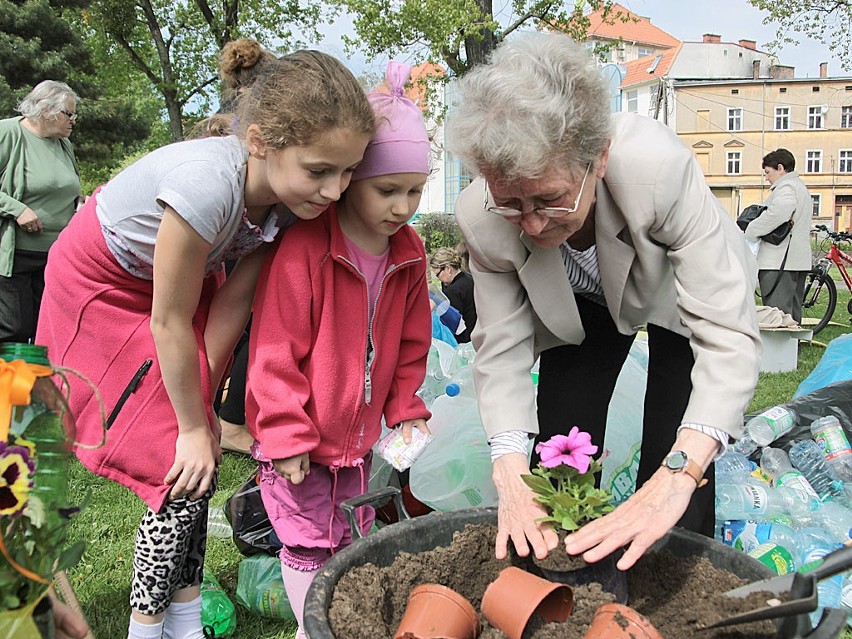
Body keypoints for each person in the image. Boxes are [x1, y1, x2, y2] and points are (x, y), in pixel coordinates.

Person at [35, 51, 374, 639]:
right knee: (176, 465)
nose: (335, 190)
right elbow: (170, 320)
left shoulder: (288, 206)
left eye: (348, 173)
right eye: (320, 170)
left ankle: (184, 622)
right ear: (262, 141)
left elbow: (229, 307)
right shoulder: (206, 186)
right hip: (102, 282)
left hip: (177, 288)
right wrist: (188, 426)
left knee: (200, 461)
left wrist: (207, 421)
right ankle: (147, 629)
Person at [446, 32, 761, 571]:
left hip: (676, 296)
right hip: (580, 305)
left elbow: (725, 333)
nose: (534, 225)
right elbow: (500, 350)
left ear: (599, 157)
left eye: (549, 199)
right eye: (512, 204)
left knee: (676, 443)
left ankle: (668, 581)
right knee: (562, 438)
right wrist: (507, 467)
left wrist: (680, 470)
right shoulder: (482, 217)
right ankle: (564, 572)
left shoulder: (655, 169)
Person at [245, 60, 432, 639]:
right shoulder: (306, 250)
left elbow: (409, 345)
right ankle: (316, 628)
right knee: (306, 541)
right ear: (352, 181)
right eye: (387, 190)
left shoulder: (411, 254)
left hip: (357, 440)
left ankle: (332, 622)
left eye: (416, 191)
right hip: (301, 435)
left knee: (349, 533)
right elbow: (275, 348)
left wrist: (405, 408)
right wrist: (283, 432)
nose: (402, 206)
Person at [211, 38, 280, 455]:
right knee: (246, 324)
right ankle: (231, 420)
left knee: (225, 325)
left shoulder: (223, 112)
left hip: (224, 234)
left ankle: (213, 407)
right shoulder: (260, 118)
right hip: (247, 231)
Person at [0, 80, 81, 344]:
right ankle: (11, 386)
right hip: (16, 258)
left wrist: (80, 203)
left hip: (56, 257)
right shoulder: (8, 133)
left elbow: (63, 190)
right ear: (47, 110)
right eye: (69, 114)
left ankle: (33, 385)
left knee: (46, 332)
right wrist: (17, 209)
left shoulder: (63, 144)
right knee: (15, 331)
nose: (73, 121)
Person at [744, 148, 812, 323]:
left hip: (779, 261)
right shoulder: (800, 187)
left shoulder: (786, 188)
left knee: (777, 315)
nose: (766, 177)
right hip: (795, 260)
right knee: (793, 312)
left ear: (781, 168)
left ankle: (780, 350)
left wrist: (751, 230)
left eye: (768, 172)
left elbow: (777, 213)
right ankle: (792, 349)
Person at [430, 245, 477, 342]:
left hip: (465, 340)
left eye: (438, 274)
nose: (438, 278)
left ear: (448, 269)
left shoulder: (453, 291)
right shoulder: (468, 278)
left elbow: (452, 324)